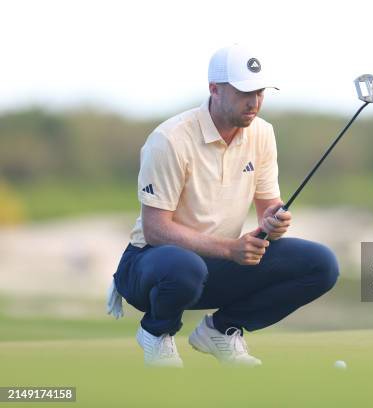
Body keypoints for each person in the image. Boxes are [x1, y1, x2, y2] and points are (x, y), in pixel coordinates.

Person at [106, 44, 339, 368]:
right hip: (151, 267)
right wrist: (231, 250)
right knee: (186, 267)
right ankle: (156, 333)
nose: (254, 101)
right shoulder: (171, 139)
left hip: (216, 265)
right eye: (245, 92)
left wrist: (274, 219)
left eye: (260, 92)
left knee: (321, 264)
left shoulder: (262, 133)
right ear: (214, 89)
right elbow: (155, 229)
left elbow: (268, 205)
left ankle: (220, 330)